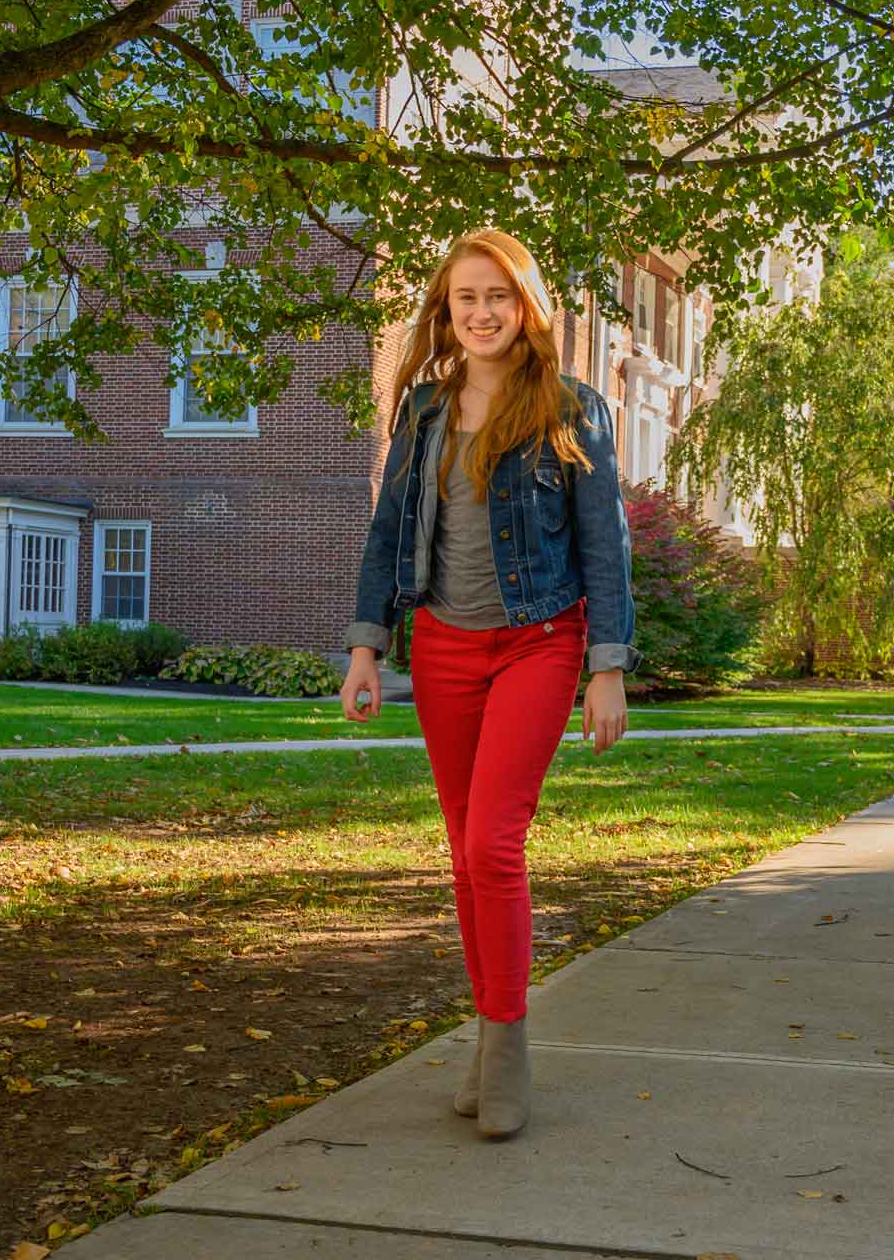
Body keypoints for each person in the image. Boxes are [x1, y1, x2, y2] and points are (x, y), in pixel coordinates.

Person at [337, 228, 635, 1143]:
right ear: (445, 309)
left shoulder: (572, 408)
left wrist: (607, 667)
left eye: (498, 296)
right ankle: (488, 1029)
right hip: (444, 648)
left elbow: (605, 543)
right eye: (466, 298)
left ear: (528, 305)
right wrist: (365, 649)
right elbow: (389, 533)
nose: (482, 313)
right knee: (463, 852)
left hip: (541, 644)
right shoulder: (425, 411)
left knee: (495, 845)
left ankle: (506, 1045)